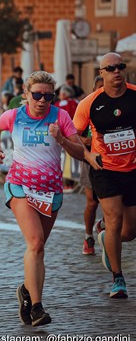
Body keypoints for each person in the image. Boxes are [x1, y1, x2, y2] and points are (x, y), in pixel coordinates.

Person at [0, 71, 84, 326]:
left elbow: (80, 152)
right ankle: (38, 309)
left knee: (38, 249)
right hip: (19, 185)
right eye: (37, 95)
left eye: (48, 96)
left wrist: (61, 139)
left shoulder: (60, 116)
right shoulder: (15, 116)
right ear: (26, 95)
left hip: (50, 190)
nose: (42, 101)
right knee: (36, 242)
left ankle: (26, 291)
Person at [73, 52, 136, 299]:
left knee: (129, 231)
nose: (117, 71)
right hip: (105, 169)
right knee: (114, 218)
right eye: (110, 68)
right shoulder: (89, 103)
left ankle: (103, 235)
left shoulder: (134, 94)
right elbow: (73, 133)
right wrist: (88, 156)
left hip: (132, 168)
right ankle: (117, 279)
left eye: (120, 66)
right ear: (102, 73)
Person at [78, 76, 104, 255]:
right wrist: (87, 140)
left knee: (116, 203)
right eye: (99, 87)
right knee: (92, 202)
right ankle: (88, 236)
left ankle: (102, 225)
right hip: (90, 159)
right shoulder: (87, 105)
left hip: (114, 160)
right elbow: (73, 134)